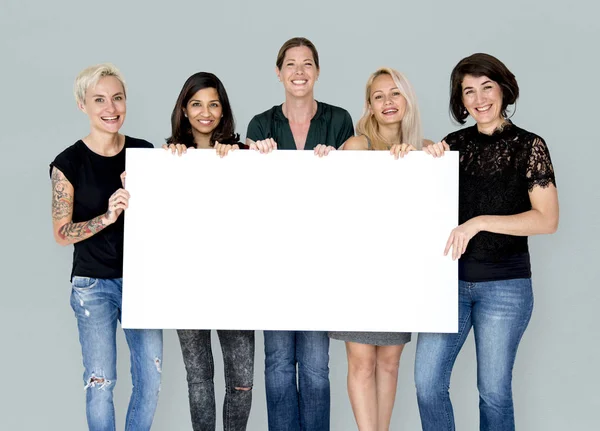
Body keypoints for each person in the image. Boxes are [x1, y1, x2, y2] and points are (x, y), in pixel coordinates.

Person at [415, 53, 559, 431]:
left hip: (506, 288)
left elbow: (547, 220)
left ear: (504, 89)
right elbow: (423, 197)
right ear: (460, 101)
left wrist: (477, 223)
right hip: (448, 286)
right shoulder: (453, 144)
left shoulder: (530, 146)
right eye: (468, 91)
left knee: (493, 392)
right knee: (427, 384)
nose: (479, 99)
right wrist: (426, 155)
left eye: (486, 87)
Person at [245, 37, 354, 431]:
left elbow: (357, 184)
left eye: (307, 64)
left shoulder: (340, 120)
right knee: (276, 362)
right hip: (273, 259)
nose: (299, 72)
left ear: (318, 72)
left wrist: (339, 162)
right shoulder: (260, 124)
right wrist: (256, 155)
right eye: (291, 64)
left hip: (321, 259)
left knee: (314, 365)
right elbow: (249, 194)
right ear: (278, 73)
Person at [49, 63, 162, 431]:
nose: (110, 107)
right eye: (99, 99)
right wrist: (107, 216)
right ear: (83, 105)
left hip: (141, 284)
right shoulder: (68, 163)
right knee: (101, 383)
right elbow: (61, 233)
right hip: (93, 286)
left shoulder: (144, 154)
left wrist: (153, 188)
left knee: (151, 380)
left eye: (117, 98)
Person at [328, 67, 433, 431]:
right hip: (358, 273)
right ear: (369, 106)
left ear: (407, 99)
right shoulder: (358, 146)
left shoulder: (424, 150)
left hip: (400, 275)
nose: (388, 102)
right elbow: (335, 210)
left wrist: (430, 161)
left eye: (395, 94)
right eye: (379, 96)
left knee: (389, 363)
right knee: (361, 363)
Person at [164, 72, 254, 431]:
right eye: (197, 104)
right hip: (187, 283)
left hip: (236, 282)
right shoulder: (168, 159)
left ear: (223, 110)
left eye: (213, 104)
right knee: (199, 378)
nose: (206, 112)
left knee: (242, 380)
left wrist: (252, 155)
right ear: (184, 110)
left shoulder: (242, 154)